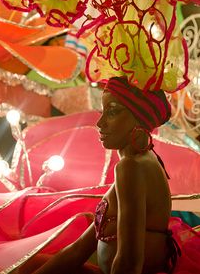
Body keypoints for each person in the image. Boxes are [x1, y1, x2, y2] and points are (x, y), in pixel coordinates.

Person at [27, 76, 180, 274]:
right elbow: (79, 250)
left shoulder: (131, 167)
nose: (100, 123)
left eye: (113, 111)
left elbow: (129, 262)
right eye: (102, 111)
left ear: (140, 117)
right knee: (31, 265)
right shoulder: (141, 162)